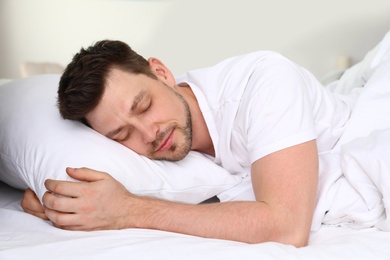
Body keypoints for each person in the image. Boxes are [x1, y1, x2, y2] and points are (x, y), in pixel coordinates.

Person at [21, 40, 354, 247]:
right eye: (122, 135)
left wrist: (128, 211)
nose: (148, 134)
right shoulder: (144, 153)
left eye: (144, 106)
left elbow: (287, 228)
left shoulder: (265, 80)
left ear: (161, 72)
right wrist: (58, 204)